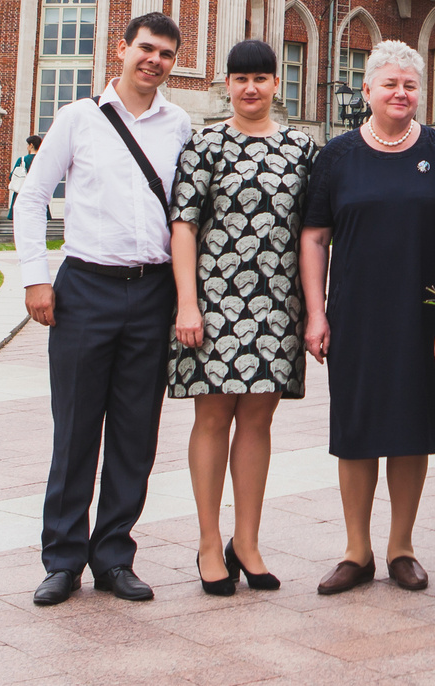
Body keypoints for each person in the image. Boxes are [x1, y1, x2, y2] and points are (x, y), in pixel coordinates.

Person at [16, 12, 189, 607]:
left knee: (136, 434)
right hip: (85, 286)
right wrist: (36, 280)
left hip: (152, 291)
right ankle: (62, 559)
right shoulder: (78, 119)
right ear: (122, 49)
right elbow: (34, 195)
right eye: (146, 48)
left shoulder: (180, 125)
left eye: (166, 54)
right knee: (76, 430)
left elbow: (188, 216)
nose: (154, 61)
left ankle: (114, 555)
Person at [299, 41, 435, 599]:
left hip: (424, 311)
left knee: (413, 430)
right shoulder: (337, 156)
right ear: (366, 91)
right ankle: (356, 552)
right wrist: (316, 313)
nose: (401, 94)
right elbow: (314, 237)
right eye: (389, 84)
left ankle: (402, 548)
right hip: (357, 312)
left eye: (410, 85)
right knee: (357, 432)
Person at [170, 40, 319, 596]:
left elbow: (313, 232)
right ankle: (210, 542)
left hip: (277, 304)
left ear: (276, 84)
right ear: (227, 85)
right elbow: (183, 225)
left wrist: (313, 308)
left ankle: (247, 541)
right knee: (212, 419)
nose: (251, 88)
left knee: (258, 421)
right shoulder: (206, 144)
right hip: (213, 303)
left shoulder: (299, 149)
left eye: (261, 78)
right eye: (240, 79)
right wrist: (188, 301)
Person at [9, 134, 41, 220]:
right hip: (37, 193)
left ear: (31, 145)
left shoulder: (22, 160)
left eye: (27, 144)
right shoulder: (42, 160)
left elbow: (11, 176)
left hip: (22, 193)